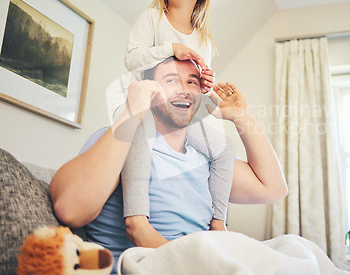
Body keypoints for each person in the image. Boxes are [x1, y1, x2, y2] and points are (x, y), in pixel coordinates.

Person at [50, 58, 288, 270]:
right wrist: (132, 112)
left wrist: (241, 116)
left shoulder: (207, 161)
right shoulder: (120, 140)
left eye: (192, 82)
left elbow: (274, 189)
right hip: (150, 266)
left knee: (294, 249)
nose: (184, 90)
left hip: (206, 263)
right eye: (172, 80)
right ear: (149, 88)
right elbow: (70, 210)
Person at [112, 0, 236, 247]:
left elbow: (197, 96)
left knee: (225, 148)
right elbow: (132, 60)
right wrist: (172, 48)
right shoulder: (152, 18)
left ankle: (218, 224)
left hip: (176, 117)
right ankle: (137, 222)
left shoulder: (204, 40)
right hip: (142, 109)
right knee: (139, 134)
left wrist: (206, 85)